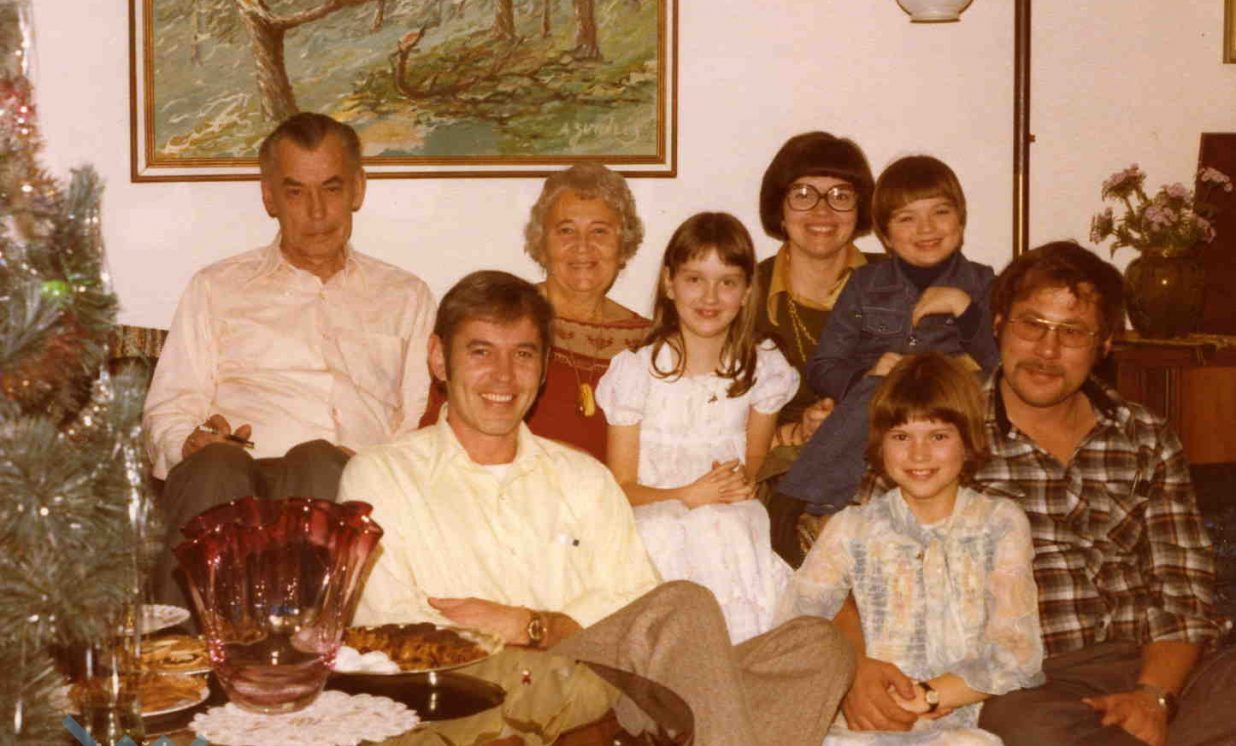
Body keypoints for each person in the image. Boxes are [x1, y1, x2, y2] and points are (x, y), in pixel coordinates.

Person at [341, 270, 855, 746]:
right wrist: (537, 635)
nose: (504, 376)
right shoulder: (381, 476)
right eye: (480, 352)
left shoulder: (583, 477)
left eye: (523, 354)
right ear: (438, 359)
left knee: (816, 646)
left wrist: (532, 625)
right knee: (683, 606)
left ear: (544, 366)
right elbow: (390, 629)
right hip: (475, 689)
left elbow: (630, 602)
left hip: (601, 683)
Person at [837, 242, 1235, 746]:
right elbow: (852, 576)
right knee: (1027, 728)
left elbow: (1183, 585)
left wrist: (1154, 696)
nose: (1047, 351)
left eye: (1073, 332)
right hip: (1030, 681)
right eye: (1032, 325)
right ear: (999, 324)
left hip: (1154, 666)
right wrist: (858, 665)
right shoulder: (937, 431)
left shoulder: (1145, 436)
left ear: (1104, 345)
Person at [144, 112, 435, 606]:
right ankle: (191, 650)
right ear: (269, 197)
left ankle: (310, 644)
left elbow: (418, 419)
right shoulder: (216, 288)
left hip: (342, 487)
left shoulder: (406, 296)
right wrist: (188, 443)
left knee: (320, 460)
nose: (316, 212)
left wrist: (374, 469)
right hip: (234, 490)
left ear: (358, 189)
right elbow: (167, 410)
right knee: (216, 465)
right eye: (296, 192)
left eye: (332, 188)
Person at [779, 352, 1043, 745]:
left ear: (968, 440)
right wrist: (853, 671)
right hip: (860, 725)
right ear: (880, 444)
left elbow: (1017, 649)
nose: (919, 455)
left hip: (955, 725)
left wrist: (927, 695)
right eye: (901, 437)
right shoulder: (851, 527)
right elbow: (796, 624)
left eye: (938, 436)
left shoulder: (999, 522)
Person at [595, 212, 798, 643]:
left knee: (728, 528)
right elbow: (621, 488)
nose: (710, 296)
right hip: (652, 513)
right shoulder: (637, 373)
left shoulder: (762, 367)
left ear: (747, 291)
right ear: (669, 283)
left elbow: (755, 458)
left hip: (726, 518)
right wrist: (686, 495)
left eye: (727, 282)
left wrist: (741, 480)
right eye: (694, 279)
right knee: (669, 531)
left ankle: (739, 653)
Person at [779, 155, 998, 530]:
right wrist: (865, 374)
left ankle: (808, 498)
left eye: (940, 212)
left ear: (960, 220)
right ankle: (810, 502)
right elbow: (823, 365)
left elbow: (1001, 364)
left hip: (951, 409)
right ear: (884, 234)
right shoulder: (865, 284)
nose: (926, 228)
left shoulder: (981, 283)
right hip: (878, 412)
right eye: (906, 218)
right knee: (881, 387)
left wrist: (964, 310)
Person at [419, 163, 649, 462]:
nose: (583, 246)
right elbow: (439, 436)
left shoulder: (651, 342)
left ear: (623, 244)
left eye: (599, 231)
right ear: (541, 242)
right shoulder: (497, 323)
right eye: (566, 230)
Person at [753, 131, 884, 566]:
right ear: (780, 205)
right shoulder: (743, 292)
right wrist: (795, 431)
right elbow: (715, 412)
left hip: (887, 465)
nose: (823, 211)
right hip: (785, 475)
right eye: (804, 194)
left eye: (841, 195)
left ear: (860, 207)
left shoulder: (896, 281)